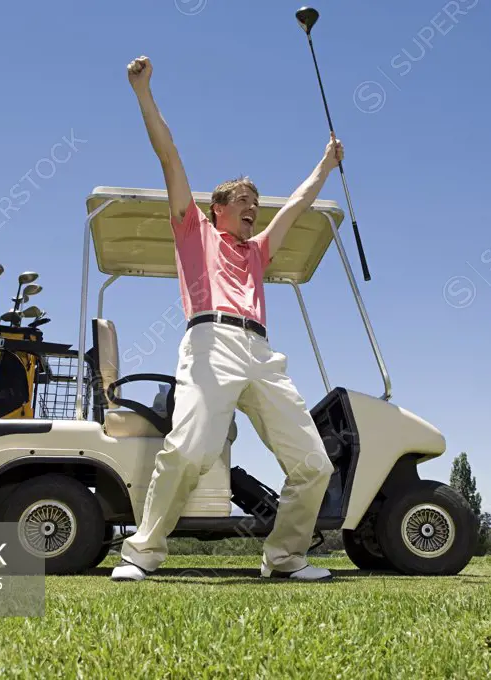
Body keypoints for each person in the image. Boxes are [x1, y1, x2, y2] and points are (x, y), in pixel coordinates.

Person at [110, 55, 342, 583]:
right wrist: (143, 92)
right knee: (189, 450)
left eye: (255, 202)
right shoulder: (193, 230)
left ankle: (284, 557)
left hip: (261, 353)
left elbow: (297, 207)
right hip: (210, 343)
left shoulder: (258, 251)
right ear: (217, 207)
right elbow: (169, 157)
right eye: (243, 200)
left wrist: (325, 166)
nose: (253, 207)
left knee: (314, 464)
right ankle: (142, 554)